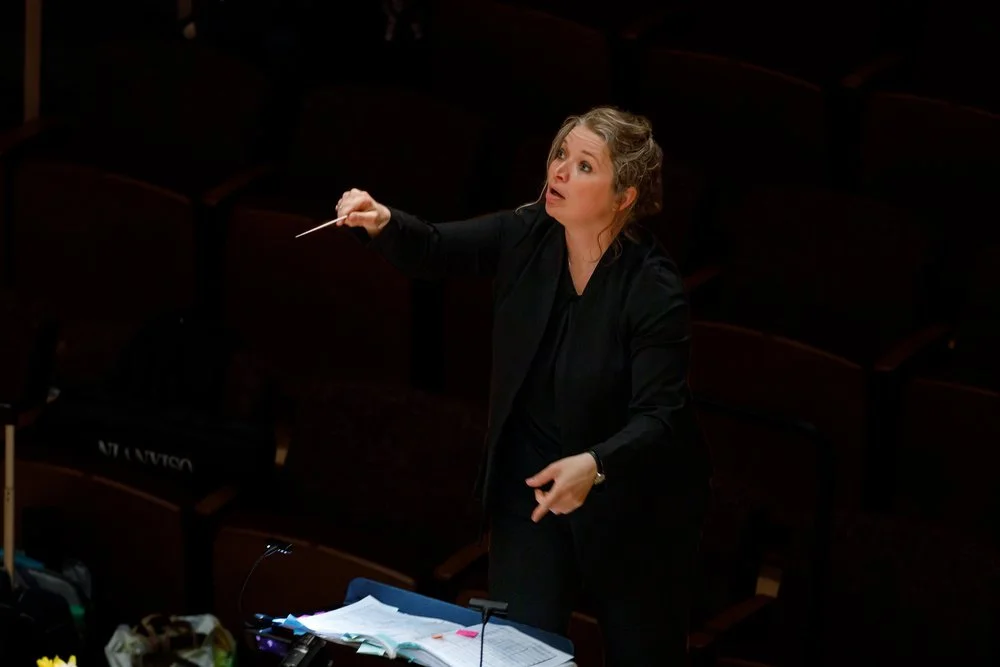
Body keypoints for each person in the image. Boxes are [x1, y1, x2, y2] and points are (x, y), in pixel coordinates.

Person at [334, 106, 711, 666]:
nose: (559, 171)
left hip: (632, 504)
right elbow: (435, 247)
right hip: (533, 488)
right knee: (518, 655)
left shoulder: (652, 288)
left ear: (624, 196)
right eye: (561, 154)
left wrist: (595, 464)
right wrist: (383, 220)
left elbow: (661, 416)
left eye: (584, 166)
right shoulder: (528, 232)